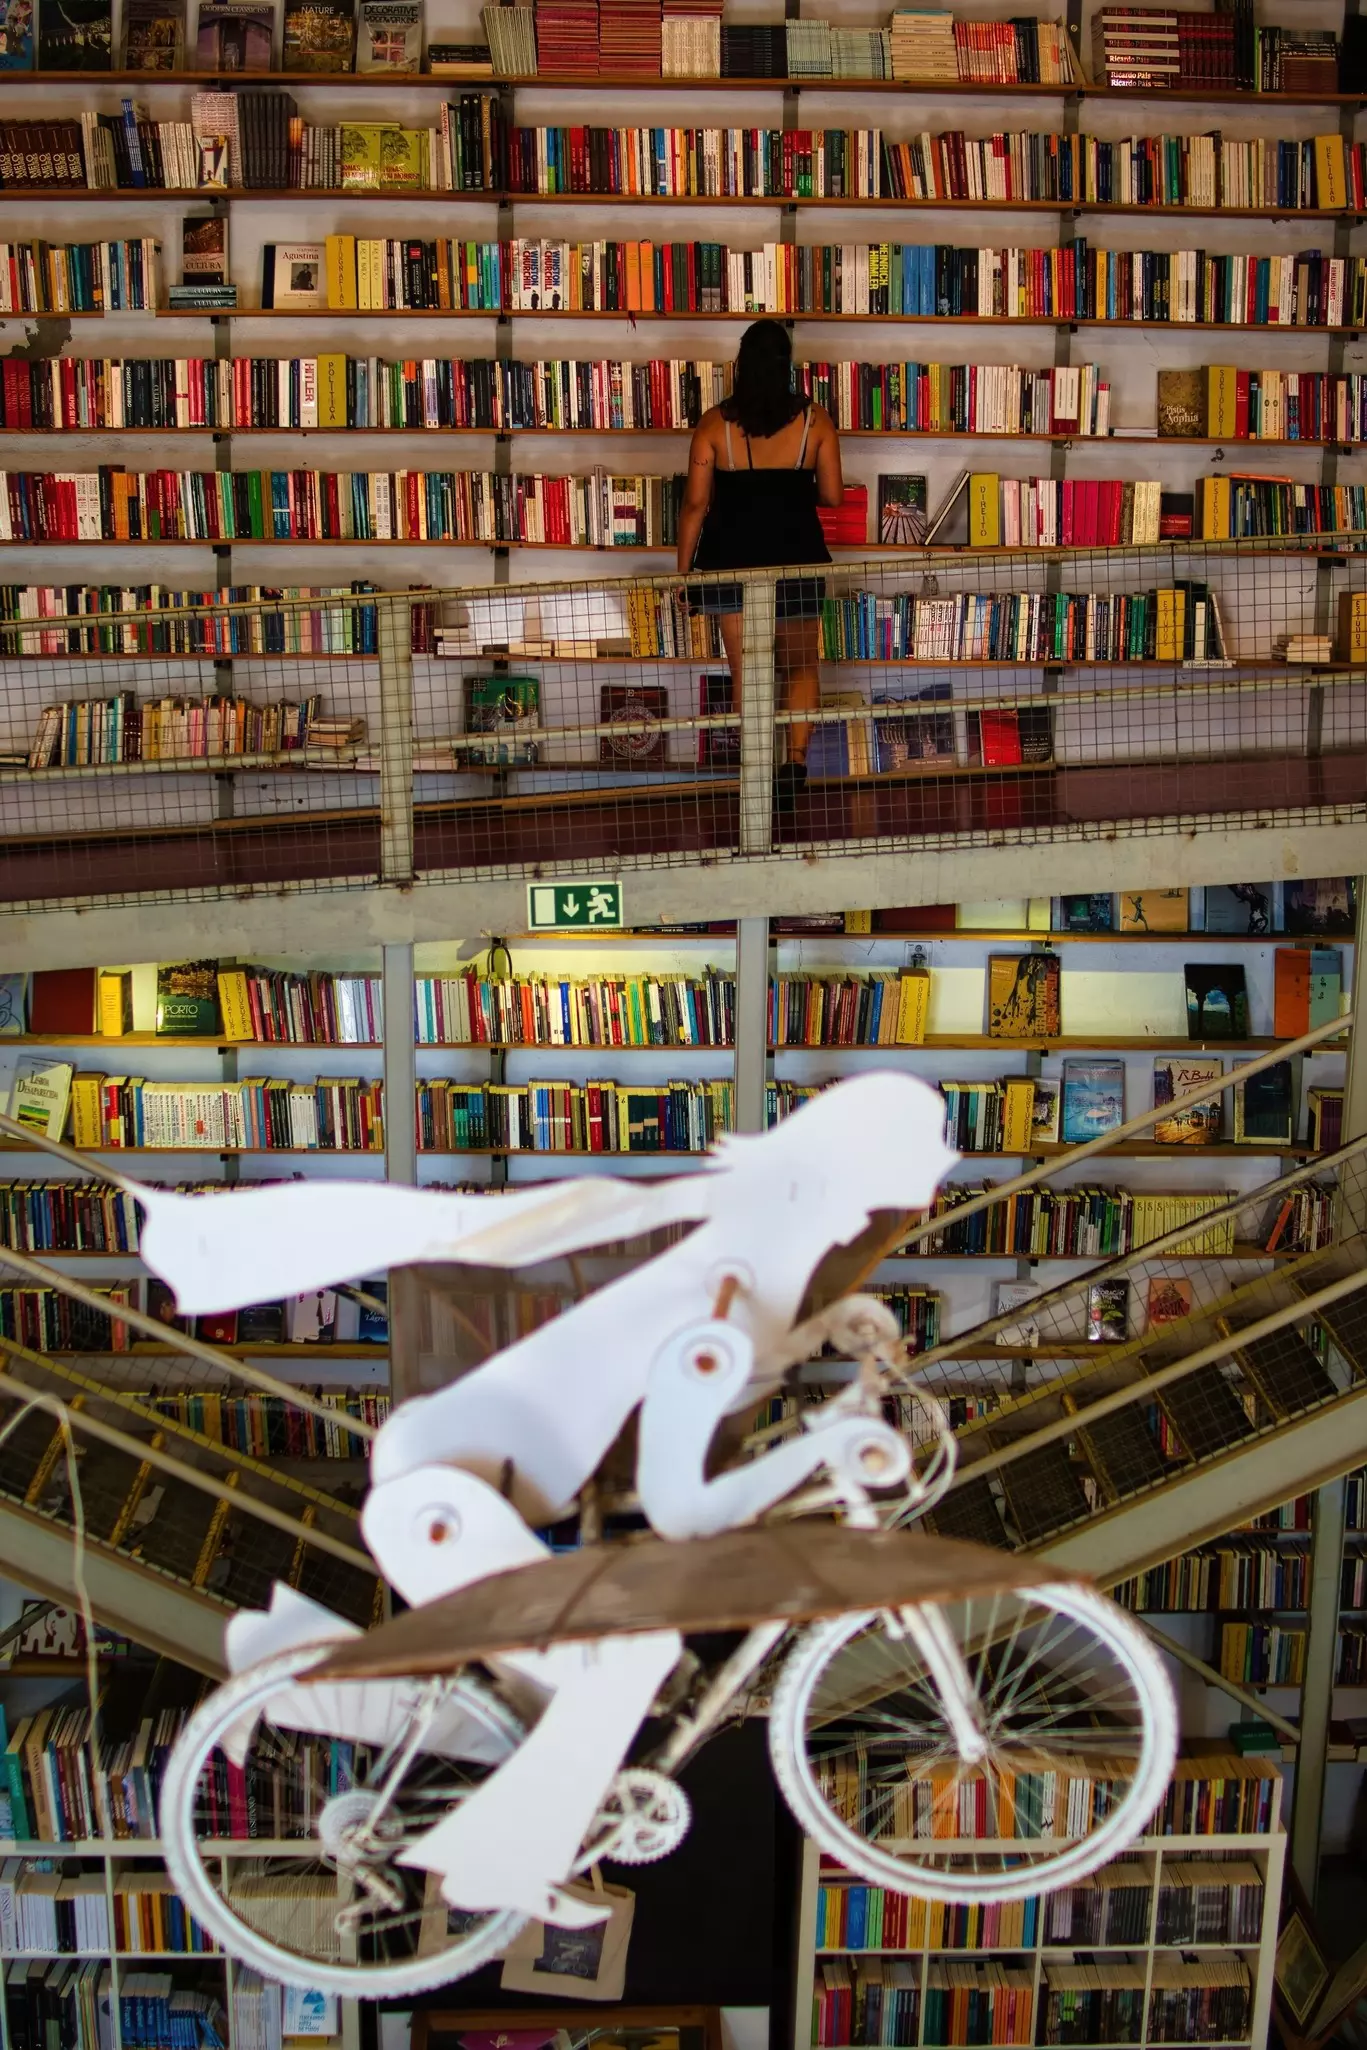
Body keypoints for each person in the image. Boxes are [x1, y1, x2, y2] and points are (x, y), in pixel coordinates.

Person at [675, 320, 844, 803]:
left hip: (734, 561)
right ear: (786, 367)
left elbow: (694, 506)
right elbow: (831, 495)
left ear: (740, 365)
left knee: (746, 671)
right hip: (797, 557)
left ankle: (755, 773)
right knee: (800, 667)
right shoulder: (817, 422)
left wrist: (683, 573)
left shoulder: (713, 425)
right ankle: (794, 762)